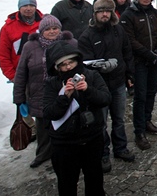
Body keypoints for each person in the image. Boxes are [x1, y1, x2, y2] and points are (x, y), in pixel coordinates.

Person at [42, 41, 111, 196]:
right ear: (57, 67)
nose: (68, 67)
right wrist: (64, 98)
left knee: (94, 181)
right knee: (67, 184)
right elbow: (48, 112)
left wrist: (88, 90)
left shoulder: (92, 76)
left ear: (77, 61)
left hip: (91, 139)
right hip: (64, 144)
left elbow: (106, 98)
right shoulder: (52, 84)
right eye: (63, 65)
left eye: (71, 62)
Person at [78, 0, 136, 173]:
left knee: (119, 119)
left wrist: (129, 74)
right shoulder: (86, 35)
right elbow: (85, 63)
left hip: (118, 82)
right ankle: (103, 153)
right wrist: (100, 66)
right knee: (100, 123)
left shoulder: (118, 30)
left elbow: (127, 52)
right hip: (98, 87)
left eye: (108, 11)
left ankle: (120, 148)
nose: (105, 14)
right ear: (95, 13)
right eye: (101, 11)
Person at [13, 15, 75, 168]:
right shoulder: (30, 46)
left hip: (64, 92)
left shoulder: (71, 43)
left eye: (55, 28)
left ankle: (67, 156)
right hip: (38, 94)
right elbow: (21, 73)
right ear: (41, 31)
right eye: (48, 29)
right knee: (43, 129)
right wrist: (19, 98)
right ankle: (43, 154)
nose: (52, 31)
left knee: (65, 125)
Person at [120, 0, 157, 150]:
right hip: (139, 61)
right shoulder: (128, 15)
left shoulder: (155, 13)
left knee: (151, 92)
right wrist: (149, 54)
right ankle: (139, 130)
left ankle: (147, 120)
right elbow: (129, 40)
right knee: (140, 96)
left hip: (154, 60)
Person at [0, 0, 43, 82]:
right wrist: (12, 76)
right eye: (25, 6)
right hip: (22, 75)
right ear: (19, 8)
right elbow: (3, 54)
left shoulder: (45, 22)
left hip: (44, 73)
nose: (28, 8)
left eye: (31, 5)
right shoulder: (8, 28)